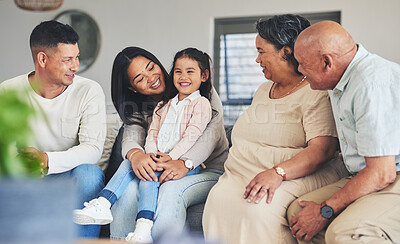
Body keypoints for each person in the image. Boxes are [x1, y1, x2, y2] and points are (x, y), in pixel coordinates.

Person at [202, 14, 349, 244]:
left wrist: (277, 173)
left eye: (262, 52)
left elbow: (322, 150)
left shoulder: (316, 90)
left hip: (295, 174)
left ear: (286, 52)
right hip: (243, 174)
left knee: (257, 209)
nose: (257, 60)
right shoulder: (263, 90)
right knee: (218, 199)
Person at [75, 46, 229, 240]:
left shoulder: (198, 91)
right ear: (132, 88)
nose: (151, 77)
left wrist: (183, 163)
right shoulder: (143, 109)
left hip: (207, 170)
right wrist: (137, 155)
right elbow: (132, 136)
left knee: (171, 189)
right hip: (161, 165)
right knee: (130, 189)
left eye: (151, 67)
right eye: (139, 78)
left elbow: (210, 135)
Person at [288, 20, 400, 243]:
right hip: (367, 173)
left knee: (344, 232)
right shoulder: (339, 77)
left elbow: (382, 173)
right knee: (297, 215)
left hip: (391, 175)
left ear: (326, 62)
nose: (299, 71)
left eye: (302, 64)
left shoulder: (371, 84)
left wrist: (324, 211)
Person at [0, 20, 106, 238]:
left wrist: (46, 160)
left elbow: (93, 149)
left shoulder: (89, 91)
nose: (76, 66)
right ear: (42, 59)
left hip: (65, 176)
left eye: (76, 57)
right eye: (67, 59)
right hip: (23, 178)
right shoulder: (8, 90)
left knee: (90, 174)